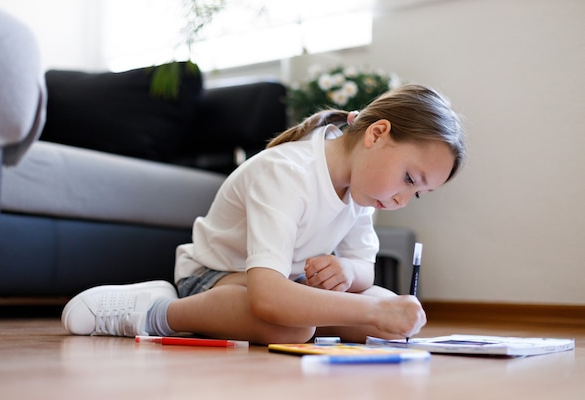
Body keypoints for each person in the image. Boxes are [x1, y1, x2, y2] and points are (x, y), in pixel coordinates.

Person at [62, 84, 466, 344]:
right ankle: (156, 312)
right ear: (377, 134)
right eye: (409, 178)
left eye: (419, 193)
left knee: (378, 311)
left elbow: (365, 268)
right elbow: (269, 296)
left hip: (284, 285)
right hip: (213, 277)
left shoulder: (363, 191)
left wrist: (348, 271)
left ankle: (309, 320)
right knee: (294, 324)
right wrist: (373, 311)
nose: (403, 199)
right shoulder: (287, 173)